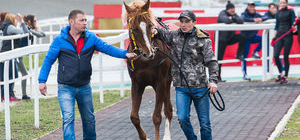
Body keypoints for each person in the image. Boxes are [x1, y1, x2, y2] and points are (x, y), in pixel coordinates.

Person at [38, 10, 137, 140]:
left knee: (89, 120)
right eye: (81, 20)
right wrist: (42, 81)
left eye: (85, 20)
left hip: (84, 86)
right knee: (68, 118)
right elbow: (48, 60)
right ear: (71, 22)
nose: (85, 23)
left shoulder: (91, 38)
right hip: (65, 87)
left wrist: (125, 54)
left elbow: (107, 48)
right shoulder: (59, 40)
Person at [152, 10, 218, 140]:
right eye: (181, 21)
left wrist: (213, 81)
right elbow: (161, 32)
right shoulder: (174, 36)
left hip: (200, 88)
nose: (183, 24)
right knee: (182, 119)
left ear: (194, 22)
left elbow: (211, 61)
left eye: (187, 21)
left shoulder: (203, 39)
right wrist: (154, 29)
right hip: (181, 88)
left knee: (204, 123)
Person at [0, 13, 29, 101]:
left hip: (7, 54)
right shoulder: (10, 27)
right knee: (11, 76)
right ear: (12, 19)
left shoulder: (6, 27)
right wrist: (22, 22)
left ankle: (6, 95)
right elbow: (24, 32)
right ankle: (9, 96)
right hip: (9, 54)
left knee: (8, 76)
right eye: (15, 20)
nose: (16, 21)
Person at [217, 1, 246, 82]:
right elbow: (226, 20)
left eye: (233, 9)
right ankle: (217, 77)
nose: (232, 10)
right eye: (231, 9)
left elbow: (241, 21)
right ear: (227, 9)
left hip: (230, 38)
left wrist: (233, 18)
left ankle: (238, 55)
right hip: (221, 40)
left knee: (242, 37)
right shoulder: (222, 13)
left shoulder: (234, 14)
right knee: (219, 59)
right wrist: (233, 19)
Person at [241, 2, 268, 81]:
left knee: (264, 38)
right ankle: (244, 74)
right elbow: (243, 18)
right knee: (244, 57)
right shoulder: (244, 14)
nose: (252, 8)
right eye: (250, 7)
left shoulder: (257, 14)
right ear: (248, 7)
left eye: (253, 7)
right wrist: (254, 20)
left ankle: (255, 52)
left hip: (253, 37)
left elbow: (266, 17)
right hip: (245, 38)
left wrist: (261, 19)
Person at [273, 0, 295, 84]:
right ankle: (281, 73)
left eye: (284, 2)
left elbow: (293, 22)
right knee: (276, 55)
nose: (282, 4)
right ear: (279, 3)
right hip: (279, 35)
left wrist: (294, 27)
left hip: (288, 35)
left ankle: (286, 76)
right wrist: (274, 37)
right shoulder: (278, 12)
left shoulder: (291, 11)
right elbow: (276, 25)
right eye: (281, 3)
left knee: (286, 56)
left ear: (286, 3)